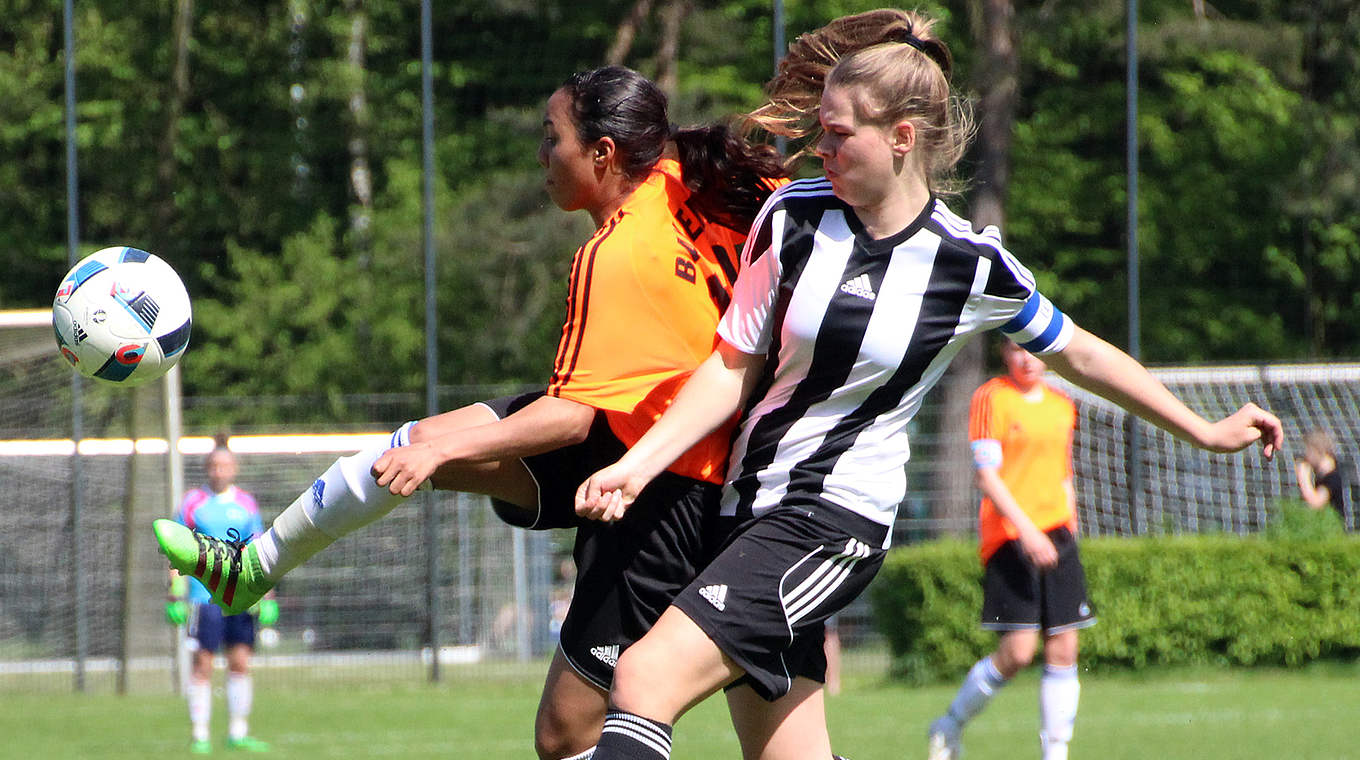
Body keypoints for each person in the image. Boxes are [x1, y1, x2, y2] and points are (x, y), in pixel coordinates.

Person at [573, 9, 1284, 760]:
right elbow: (730, 366)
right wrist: (636, 463)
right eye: (821, 128)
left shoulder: (968, 263)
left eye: (841, 134)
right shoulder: (792, 218)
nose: (822, 147)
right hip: (746, 510)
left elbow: (1084, 354)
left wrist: (1204, 430)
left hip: (832, 522)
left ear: (902, 139)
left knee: (645, 678)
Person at [152, 65, 786, 760]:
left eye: (553, 139)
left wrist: (442, 456)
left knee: (568, 732)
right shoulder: (712, 183)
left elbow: (571, 416)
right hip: (645, 435)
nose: (542, 156)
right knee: (414, 440)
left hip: (670, 488)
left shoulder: (618, 254)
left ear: (603, 154)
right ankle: (250, 569)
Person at [926, 339, 1089, 760]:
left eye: (1033, 350)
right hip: (1010, 536)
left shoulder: (1062, 404)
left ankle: (1056, 753)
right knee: (1018, 652)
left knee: (1064, 648)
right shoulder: (991, 397)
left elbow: (1063, 474)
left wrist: (1071, 529)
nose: (1026, 359)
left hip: (1058, 534)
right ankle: (949, 726)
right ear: (1004, 353)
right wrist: (1028, 532)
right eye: (1017, 350)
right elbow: (987, 476)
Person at [164, 435, 277, 754]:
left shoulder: (246, 504)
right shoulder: (192, 502)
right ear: (207, 469)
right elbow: (176, 548)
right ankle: (199, 733)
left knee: (240, 661)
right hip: (204, 597)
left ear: (234, 468)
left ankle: (238, 732)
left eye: (224, 465)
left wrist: (267, 597)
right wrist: (175, 592)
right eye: (213, 465)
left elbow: (259, 550)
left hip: (240, 596)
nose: (219, 470)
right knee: (203, 663)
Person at [1295, 428, 1351, 530]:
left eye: (1308, 451)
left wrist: (1303, 478)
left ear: (1317, 450)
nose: (1306, 457)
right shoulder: (1322, 477)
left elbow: (1316, 503)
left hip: (1333, 533)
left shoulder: (1333, 478)